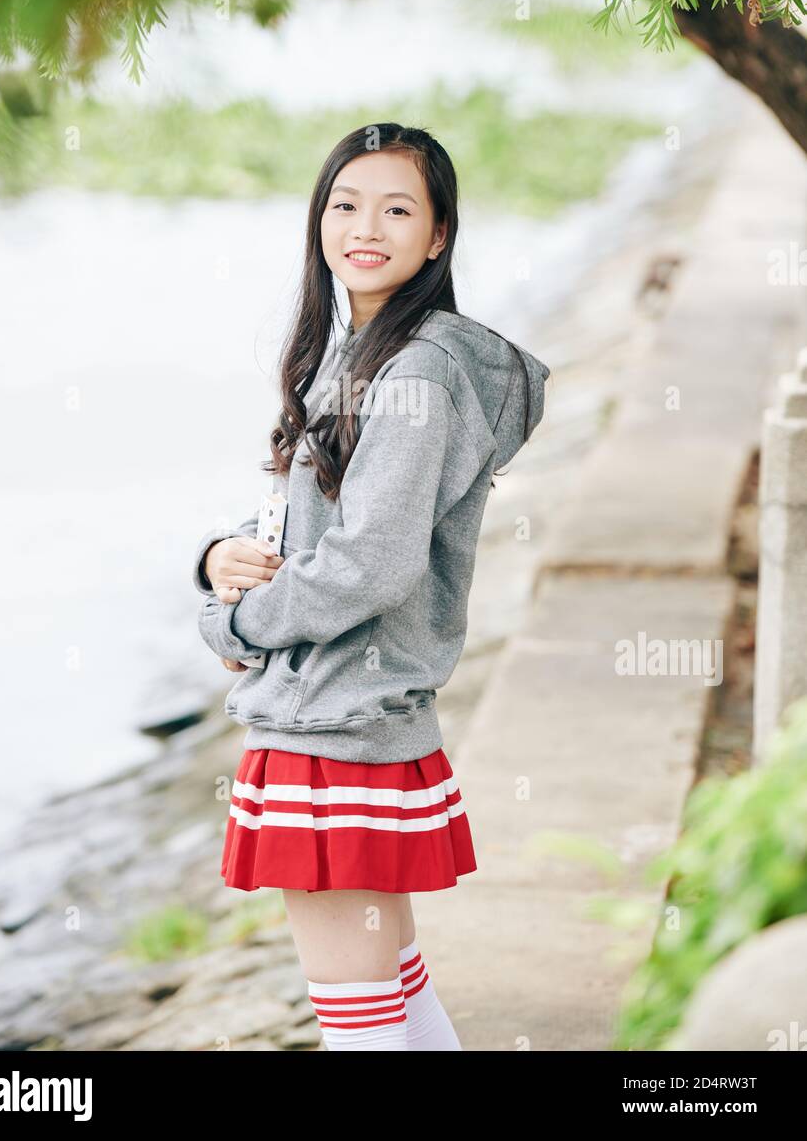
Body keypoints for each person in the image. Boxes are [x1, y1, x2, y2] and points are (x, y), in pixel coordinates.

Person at [193, 122, 550, 1051]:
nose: (366, 226)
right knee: (392, 993)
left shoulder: (414, 370)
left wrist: (239, 623)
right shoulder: (356, 351)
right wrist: (219, 559)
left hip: (334, 718)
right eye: (345, 204)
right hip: (352, 708)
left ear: (438, 237)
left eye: (398, 209)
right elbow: (314, 522)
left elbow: (373, 559)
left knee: (357, 1018)